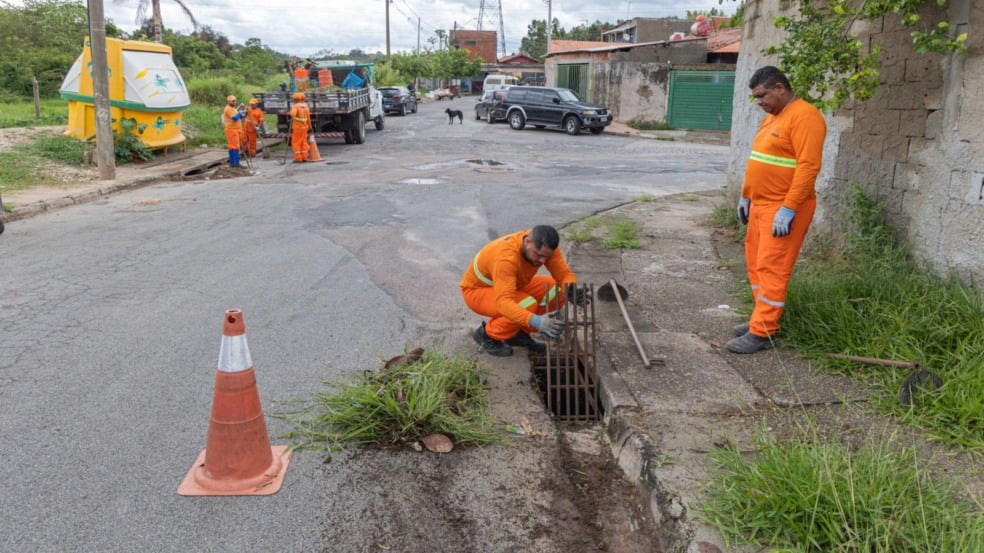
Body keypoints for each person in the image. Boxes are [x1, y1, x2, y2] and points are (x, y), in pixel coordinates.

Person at [728, 65, 827, 354]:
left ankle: (763, 332)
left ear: (780, 88)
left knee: (773, 267)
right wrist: (746, 196)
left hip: (783, 208)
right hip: (760, 205)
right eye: (756, 98)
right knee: (756, 264)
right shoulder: (772, 118)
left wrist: (789, 208)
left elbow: (809, 167)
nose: (759, 102)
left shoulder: (805, 117)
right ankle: (760, 317)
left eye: (762, 95)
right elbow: (759, 159)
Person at [460, 225, 577, 357]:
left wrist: (570, 288)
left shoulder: (545, 247)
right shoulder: (506, 259)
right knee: (526, 305)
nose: (543, 261)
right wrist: (536, 321)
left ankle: (518, 334)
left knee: (557, 290)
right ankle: (487, 335)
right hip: (477, 292)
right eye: (539, 255)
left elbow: (564, 274)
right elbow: (504, 303)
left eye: (546, 256)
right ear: (528, 242)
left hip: (511, 284)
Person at [222, 95, 245, 168]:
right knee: (235, 147)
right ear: (228, 101)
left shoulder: (233, 109)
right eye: (232, 101)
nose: (234, 102)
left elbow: (238, 117)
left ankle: (232, 163)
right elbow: (234, 118)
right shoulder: (228, 109)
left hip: (235, 129)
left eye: (234, 101)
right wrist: (239, 114)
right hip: (231, 130)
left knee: (232, 147)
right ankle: (236, 163)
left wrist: (243, 114)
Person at [288, 92, 311, 163]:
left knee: (296, 142)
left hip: (297, 127)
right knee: (303, 142)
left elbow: (293, 114)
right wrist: (310, 126)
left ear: (296, 99)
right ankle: (305, 157)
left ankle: (298, 158)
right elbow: (308, 118)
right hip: (305, 127)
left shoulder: (295, 106)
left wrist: (291, 114)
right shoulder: (306, 106)